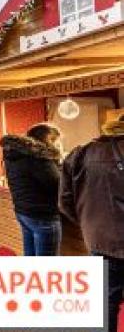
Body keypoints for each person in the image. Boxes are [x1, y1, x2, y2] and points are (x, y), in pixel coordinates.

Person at [61, 116, 124, 332]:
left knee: (106, 302)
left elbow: (65, 201)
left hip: (99, 241)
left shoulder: (81, 153)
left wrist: (89, 223)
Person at [0, 124, 62, 256]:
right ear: (48, 140)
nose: (58, 145)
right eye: (56, 141)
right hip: (43, 215)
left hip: (23, 212)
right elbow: (58, 186)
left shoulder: (15, 154)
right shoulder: (40, 159)